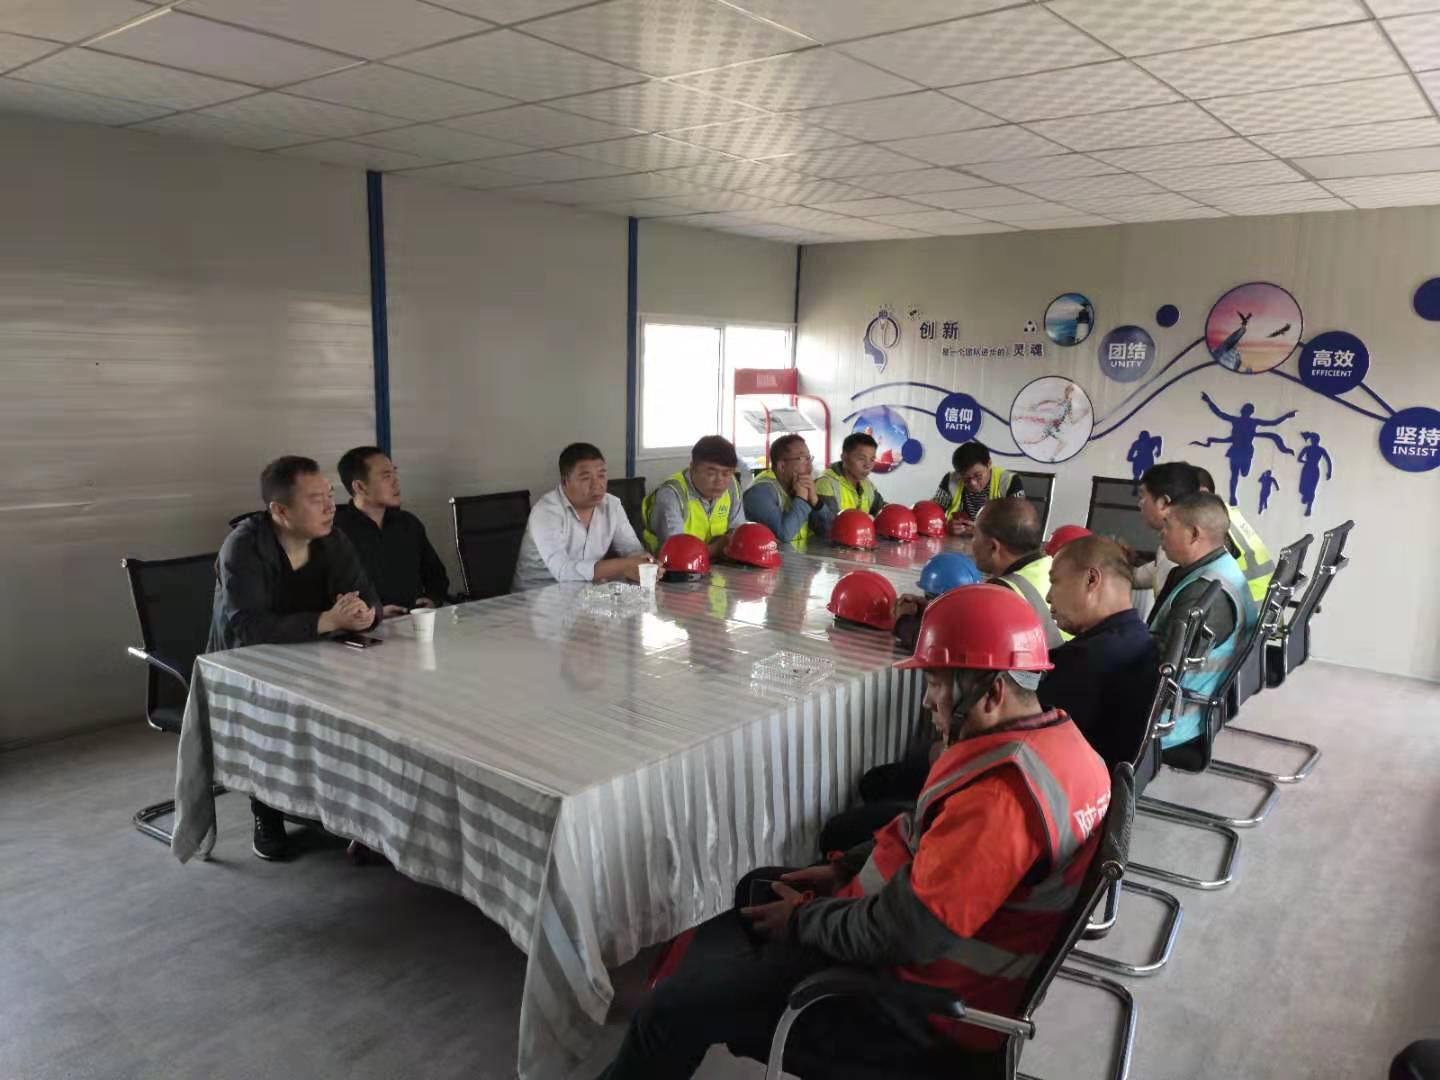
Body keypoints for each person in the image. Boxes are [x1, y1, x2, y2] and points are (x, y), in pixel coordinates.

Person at [597, 585, 1111, 1080]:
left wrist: (802, 921)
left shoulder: (1001, 800)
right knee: (758, 887)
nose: (928, 702)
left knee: (669, 1009)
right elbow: (927, 831)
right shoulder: (1058, 745)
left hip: (912, 1014)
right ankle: (738, 990)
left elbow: (902, 934)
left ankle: (720, 1004)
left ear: (993, 691)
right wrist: (845, 866)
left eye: (936, 684)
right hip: (919, 959)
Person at [209, 455, 381, 861]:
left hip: (315, 655)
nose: (330, 507)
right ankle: (266, 812)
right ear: (281, 510)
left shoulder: (332, 539)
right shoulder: (244, 546)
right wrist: (327, 620)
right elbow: (248, 626)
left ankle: (354, 812)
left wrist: (365, 613)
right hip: (246, 665)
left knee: (368, 699)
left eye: (330, 495)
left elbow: (366, 592)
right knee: (273, 710)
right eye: (315, 499)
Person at [1146, 493, 1258, 758]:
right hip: (1197, 707)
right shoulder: (1223, 567)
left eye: (1168, 525)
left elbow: (1158, 673)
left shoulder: (1202, 595)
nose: (1161, 534)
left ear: (1194, 534)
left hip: (1170, 724)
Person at [1042, 536, 1159, 770]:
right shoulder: (1138, 639)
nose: (1048, 596)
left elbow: (1023, 732)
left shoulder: (1085, 661)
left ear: (1091, 579)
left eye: (1055, 581)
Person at [514, 442, 652, 590]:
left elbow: (632, 549)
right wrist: (623, 566)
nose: (597, 485)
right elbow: (562, 570)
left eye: (601, 476)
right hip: (535, 595)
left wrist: (647, 563)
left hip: (585, 593)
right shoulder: (546, 511)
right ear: (565, 482)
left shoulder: (612, 505)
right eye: (586, 478)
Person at [332, 446, 449, 615]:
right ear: (360, 487)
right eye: (386, 476)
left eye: (395, 473)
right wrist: (375, 613)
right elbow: (328, 596)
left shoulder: (408, 524)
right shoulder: (335, 533)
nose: (396, 481)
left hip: (414, 620)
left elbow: (437, 576)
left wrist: (432, 599)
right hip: (365, 624)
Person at [971, 498, 1067, 647]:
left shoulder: (999, 593)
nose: (972, 542)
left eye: (974, 535)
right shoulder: (1054, 567)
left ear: (993, 547)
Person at [642, 436, 745, 556]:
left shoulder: (732, 486)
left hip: (720, 562)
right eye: (711, 473)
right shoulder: (672, 494)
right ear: (692, 467)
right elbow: (677, 554)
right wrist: (718, 547)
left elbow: (738, 533)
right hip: (670, 565)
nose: (719, 481)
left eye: (726, 473)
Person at [1189, 392, 1297, 507]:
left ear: (1250, 412)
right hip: (1235, 450)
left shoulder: (1254, 422)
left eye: (1246, 410)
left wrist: (1286, 416)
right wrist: (1208, 401)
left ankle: (1237, 486)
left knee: (1244, 473)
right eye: (1244, 409)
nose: (1244, 411)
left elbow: (1273, 423)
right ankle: (1233, 496)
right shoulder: (1236, 420)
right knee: (1234, 475)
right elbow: (1220, 413)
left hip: (1246, 450)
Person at [1193, 463, 1275, 604]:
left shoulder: (1212, 523)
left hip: (1250, 608)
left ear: (1203, 492)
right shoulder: (1228, 512)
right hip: (1267, 606)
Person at [1133, 461, 1200, 598]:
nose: (1139, 504)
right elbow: (1140, 577)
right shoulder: (1171, 548)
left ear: (1163, 503)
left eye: (1142, 497)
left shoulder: (1177, 553)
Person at [932, 440, 1025, 536]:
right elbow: (932, 514)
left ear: (989, 464)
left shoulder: (1009, 481)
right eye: (966, 479)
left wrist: (984, 531)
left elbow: (1020, 523)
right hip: (957, 542)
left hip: (994, 542)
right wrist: (946, 526)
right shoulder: (951, 480)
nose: (973, 483)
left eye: (978, 476)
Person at [742, 434, 818, 543]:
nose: (809, 465)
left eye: (809, 458)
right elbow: (784, 534)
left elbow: (827, 531)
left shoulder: (797, 486)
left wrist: (816, 501)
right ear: (782, 466)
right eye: (802, 458)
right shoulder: (760, 492)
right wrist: (801, 498)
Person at [812, 432, 886, 538]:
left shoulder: (867, 484)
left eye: (872, 459)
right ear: (844, 457)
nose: (868, 465)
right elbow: (827, 528)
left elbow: (881, 510)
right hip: (830, 545)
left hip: (859, 543)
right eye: (861, 458)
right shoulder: (826, 484)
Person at [1296, 431, 1333, 518]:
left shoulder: (1312, 449)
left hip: (1310, 468)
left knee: (1311, 489)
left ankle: (1309, 507)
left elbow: (1328, 460)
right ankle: (1306, 496)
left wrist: (1329, 472)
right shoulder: (1312, 449)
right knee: (1303, 488)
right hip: (1310, 469)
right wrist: (1329, 472)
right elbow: (1299, 458)